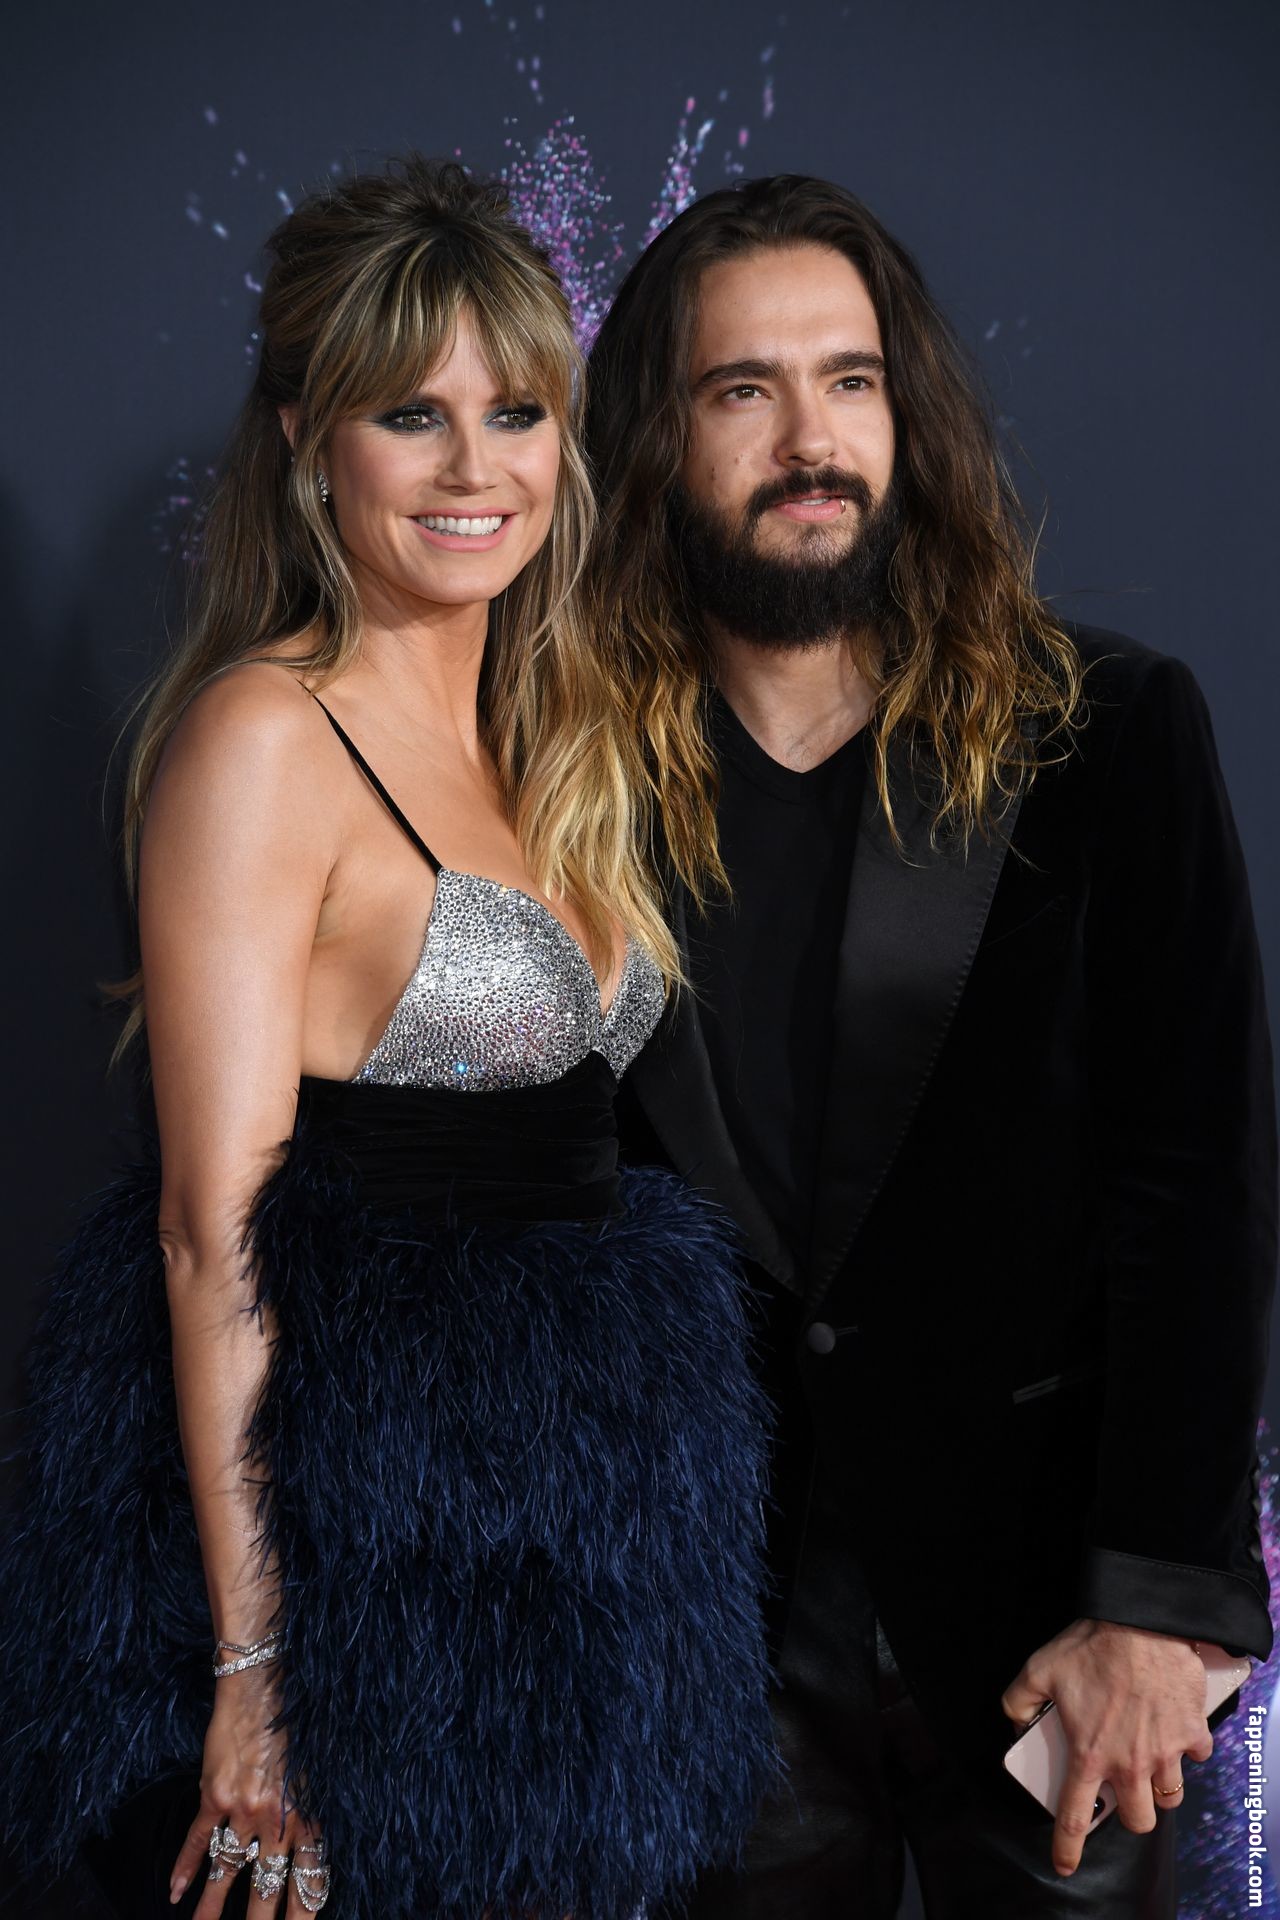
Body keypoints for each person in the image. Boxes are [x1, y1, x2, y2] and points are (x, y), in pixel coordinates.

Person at [0, 156, 779, 1920]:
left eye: (516, 412)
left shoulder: (557, 729)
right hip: (355, 1553)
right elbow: (208, 1233)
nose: (473, 468)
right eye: (409, 415)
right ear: (307, 440)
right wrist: (256, 1674)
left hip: (570, 1553)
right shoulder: (264, 739)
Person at [583, 171, 1277, 1918]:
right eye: (743, 390)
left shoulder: (1107, 730)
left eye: (852, 380)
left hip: (1053, 1632)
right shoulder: (554, 779)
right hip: (692, 1644)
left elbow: (1202, 1189)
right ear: (658, 439)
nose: (810, 441)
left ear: (910, 416)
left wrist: (1159, 1601)